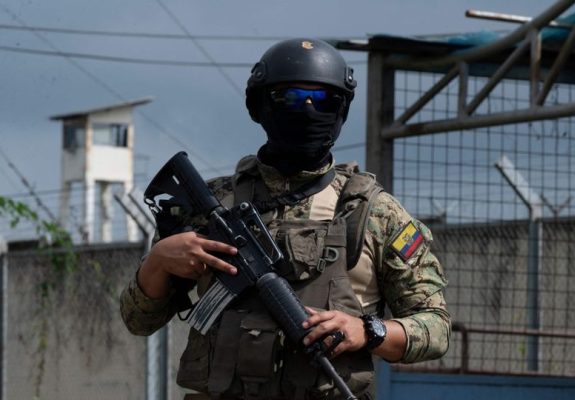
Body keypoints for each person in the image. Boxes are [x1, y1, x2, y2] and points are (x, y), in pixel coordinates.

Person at [120, 38, 450, 400]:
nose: (308, 109)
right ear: (259, 105)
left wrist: (368, 331)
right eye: (290, 97)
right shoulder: (213, 204)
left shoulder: (373, 213)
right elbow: (138, 320)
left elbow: (436, 327)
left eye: (323, 99)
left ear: (341, 110)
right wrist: (158, 261)